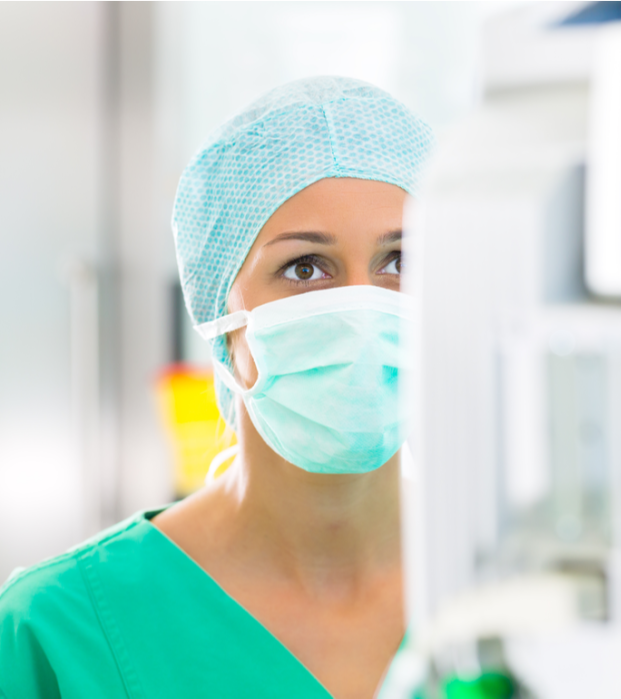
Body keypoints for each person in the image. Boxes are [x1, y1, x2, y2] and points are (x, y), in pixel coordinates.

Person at [0, 76, 433, 699]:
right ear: (217, 314)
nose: (361, 312)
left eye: (401, 262)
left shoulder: (523, 589)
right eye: (305, 269)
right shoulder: (62, 632)